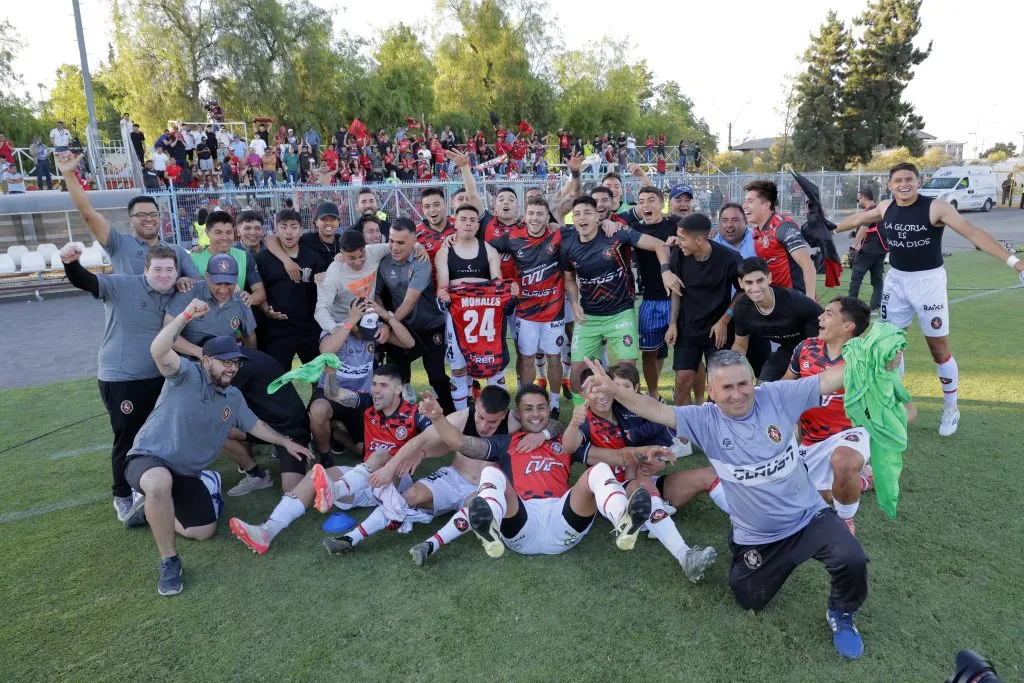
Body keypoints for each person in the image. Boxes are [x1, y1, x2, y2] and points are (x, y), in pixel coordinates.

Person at [582, 351, 878, 660]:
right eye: (727, 388)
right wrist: (615, 390)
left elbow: (829, 378)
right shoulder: (704, 419)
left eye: (743, 384)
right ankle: (762, 557)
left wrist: (872, 356)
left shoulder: (777, 395)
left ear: (753, 381)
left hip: (807, 517)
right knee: (748, 599)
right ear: (711, 389)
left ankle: (842, 614)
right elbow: (656, 410)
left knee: (851, 557)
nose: (737, 394)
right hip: (757, 536)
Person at [836, 162, 1024, 436]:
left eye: (909, 179)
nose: (904, 184)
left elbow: (973, 233)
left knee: (938, 348)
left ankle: (951, 407)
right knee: (890, 347)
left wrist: (1016, 264)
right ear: (889, 185)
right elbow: (858, 220)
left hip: (929, 284)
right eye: (898, 180)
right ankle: (891, 404)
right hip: (896, 281)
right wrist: (831, 228)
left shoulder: (936, 207)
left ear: (918, 181)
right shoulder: (886, 207)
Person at [129, 321, 311, 595]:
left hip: (187, 473)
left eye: (236, 363)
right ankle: (170, 561)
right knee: (158, 482)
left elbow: (254, 426)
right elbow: (158, 349)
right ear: (206, 361)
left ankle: (150, 510)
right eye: (224, 362)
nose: (232, 368)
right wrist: (186, 315)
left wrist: (286, 442)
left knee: (204, 530)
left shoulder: (233, 396)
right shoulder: (186, 374)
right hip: (149, 458)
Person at [417, 385, 653, 558]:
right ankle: (489, 526)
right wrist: (437, 417)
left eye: (541, 407)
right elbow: (460, 442)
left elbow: (616, 457)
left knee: (600, 469)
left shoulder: (566, 442)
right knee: (491, 471)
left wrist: (649, 452)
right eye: (528, 409)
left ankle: (623, 520)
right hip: (521, 523)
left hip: (563, 521)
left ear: (549, 409)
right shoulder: (505, 442)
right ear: (518, 414)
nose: (536, 413)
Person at [228, 365, 431, 555]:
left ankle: (335, 490)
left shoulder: (414, 413)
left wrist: (419, 452)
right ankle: (267, 531)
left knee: (382, 455)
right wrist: (331, 374)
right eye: (374, 384)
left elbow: (439, 435)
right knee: (315, 474)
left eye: (383, 385)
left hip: (396, 483)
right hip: (363, 481)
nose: (376, 390)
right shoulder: (368, 402)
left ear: (399, 389)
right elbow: (333, 393)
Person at [58, 242, 181, 524]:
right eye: (158, 269)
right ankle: (123, 495)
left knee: (156, 436)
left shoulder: (175, 293)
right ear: (146, 269)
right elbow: (86, 281)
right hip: (122, 379)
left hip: (159, 378)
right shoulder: (122, 284)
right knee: (128, 437)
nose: (164, 275)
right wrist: (71, 264)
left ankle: (148, 487)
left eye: (170, 270)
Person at [564, 363, 718, 581]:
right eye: (592, 389)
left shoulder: (624, 409)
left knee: (708, 475)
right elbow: (568, 447)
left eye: (602, 387)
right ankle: (685, 556)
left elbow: (656, 425)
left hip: (645, 477)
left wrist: (658, 459)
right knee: (644, 488)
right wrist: (573, 423)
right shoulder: (586, 421)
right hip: (619, 490)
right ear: (582, 394)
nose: (600, 395)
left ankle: (751, 525)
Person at [561, 196, 681, 391]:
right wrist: (574, 303)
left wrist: (666, 270)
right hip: (588, 317)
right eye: (577, 214)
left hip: (621, 315)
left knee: (628, 372)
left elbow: (659, 245)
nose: (582, 218)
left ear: (597, 218)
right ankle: (585, 418)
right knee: (577, 374)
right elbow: (569, 279)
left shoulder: (617, 234)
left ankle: (629, 415)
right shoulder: (568, 245)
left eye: (587, 213)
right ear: (573, 219)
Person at [782, 297, 879, 535]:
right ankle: (865, 480)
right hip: (812, 439)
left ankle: (845, 519)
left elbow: (898, 405)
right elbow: (786, 385)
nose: (819, 317)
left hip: (850, 432)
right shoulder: (805, 348)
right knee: (815, 496)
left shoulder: (865, 357)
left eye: (828, 313)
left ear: (848, 326)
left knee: (843, 463)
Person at [55, 152, 200, 278]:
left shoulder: (177, 251)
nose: (149, 219)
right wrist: (69, 175)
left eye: (153, 214)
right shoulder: (118, 243)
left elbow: (197, 282)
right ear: (130, 220)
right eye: (141, 215)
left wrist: (183, 280)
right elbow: (87, 214)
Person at [488, 195, 566, 416]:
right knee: (528, 357)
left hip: (553, 312)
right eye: (531, 213)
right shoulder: (513, 237)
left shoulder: (558, 234)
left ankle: (554, 403)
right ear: (525, 215)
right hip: (526, 313)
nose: (535, 218)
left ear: (546, 216)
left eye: (540, 214)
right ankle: (527, 400)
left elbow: (585, 228)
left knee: (554, 357)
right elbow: (484, 249)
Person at [377, 218, 457, 413]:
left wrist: (387, 321)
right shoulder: (383, 261)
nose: (394, 247)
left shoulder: (422, 261)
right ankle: (401, 417)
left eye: (401, 242)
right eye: (391, 241)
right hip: (402, 326)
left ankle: (453, 413)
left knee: (436, 375)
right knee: (399, 375)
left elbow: (410, 301)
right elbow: (376, 293)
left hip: (430, 325)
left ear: (414, 241)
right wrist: (384, 315)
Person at [665, 213, 742, 405]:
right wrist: (673, 323)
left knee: (720, 382)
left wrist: (725, 320)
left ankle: (719, 428)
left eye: (682, 238)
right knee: (682, 380)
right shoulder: (678, 255)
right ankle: (681, 433)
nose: (679, 242)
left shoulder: (729, 258)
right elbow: (676, 290)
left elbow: (743, 291)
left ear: (699, 239)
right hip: (687, 328)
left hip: (718, 331)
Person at [436, 204, 504, 406]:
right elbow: (443, 287)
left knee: (493, 366)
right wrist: (444, 294)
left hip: (487, 319)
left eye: (472, 220)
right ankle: (462, 417)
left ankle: (496, 414)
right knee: (458, 368)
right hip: (458, 319)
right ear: (454, 223)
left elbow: (498, 282)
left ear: (477, 225)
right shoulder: (444, 253)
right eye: (463, 219)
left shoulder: (489, 250)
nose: (468, 223)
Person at [731, 257, 824, 381]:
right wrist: (736, 369)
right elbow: (740, 344)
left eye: (760, 281)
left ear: (769, 278)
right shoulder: (742, 309)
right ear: (741, 283)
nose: (755, 288)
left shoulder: (797, 303)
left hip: (816, 351)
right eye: (749, 282)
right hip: (787, 351)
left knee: (798, 390)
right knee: (763, 386)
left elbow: (830, 331)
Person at [255, 208, 322, 372]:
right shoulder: (262, 259)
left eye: (293, 226)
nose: (289, 232)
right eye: (283, 226)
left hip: (309, 330)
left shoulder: (313, 257)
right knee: (278, 379)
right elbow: (256, 289)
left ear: (301, 230)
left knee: (318, 379)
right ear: (277, 230)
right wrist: (266, 310)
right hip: (278, 331)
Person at [632, 186, 679, 400]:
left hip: (678, 298)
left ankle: (684, 397)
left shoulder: (676, 225)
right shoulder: (634, 229)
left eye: (651, 200)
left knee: (686, 352)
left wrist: (680, 240)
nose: (645, 205)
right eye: (641, 201)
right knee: (649, 353)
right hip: (650, 301)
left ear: (661, 204)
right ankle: (653, 395)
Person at [164, 253, 257, 355]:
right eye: (218, 283)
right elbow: (167, 333)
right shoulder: (189, 292)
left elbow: (250, 336)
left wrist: (247, 360)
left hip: (226, 359)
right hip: (192, 360)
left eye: (229, 283)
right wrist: (202, 353)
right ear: (207, 276)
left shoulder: (241, 299)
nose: (223, 290)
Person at [743, 180, 818, 301]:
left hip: (794, 299)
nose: (744, 206)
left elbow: (807, 264)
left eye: (750, 201)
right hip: (775, 299)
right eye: (745, 201)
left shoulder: (783, 226)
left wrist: (810, 300)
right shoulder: (757, 231)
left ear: (766, 205)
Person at [191, 210, 266, 306]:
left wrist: (248, 299)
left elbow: (260, 293)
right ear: (207, 232)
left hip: (235, 318)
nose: (224, 237)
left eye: (228, 232)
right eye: (218, 233)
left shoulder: (245, 256)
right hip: (204, 317)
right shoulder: (194, 258)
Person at [268, 201, 344, 279]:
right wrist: (287, 261)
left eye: (332, 219)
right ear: (316, 222)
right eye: (324, 219)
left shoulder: (343, 240)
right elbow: (270, 239)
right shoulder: (308, 239)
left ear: (338, 222)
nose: (328, 223)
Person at [846, 188, 886, 314]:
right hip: (881, 249)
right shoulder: (879, 210)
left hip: (868, 250)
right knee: (877, 280)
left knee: (856, 278)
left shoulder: (870, 211)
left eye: (859, 198)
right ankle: (875, 307)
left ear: (863, 197)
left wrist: (853, 245)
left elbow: (864, 228)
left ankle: (851, 307)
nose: (858, 201)